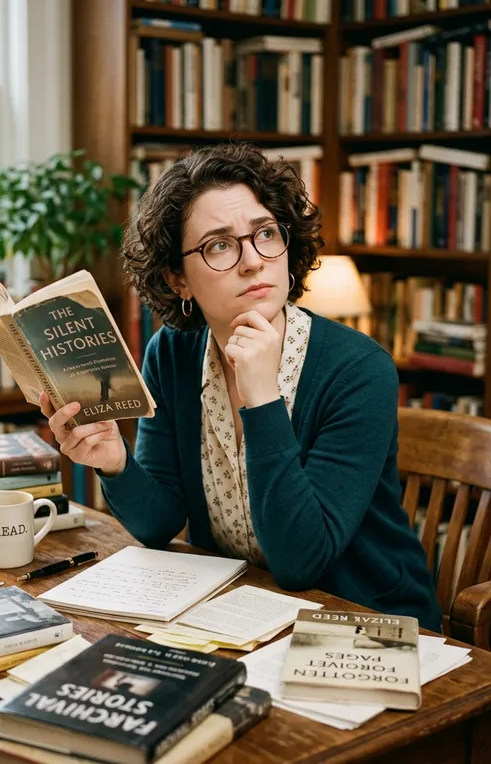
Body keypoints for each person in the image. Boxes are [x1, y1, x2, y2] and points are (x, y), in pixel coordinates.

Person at [40, 142, 442, 633]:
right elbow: (160, 525)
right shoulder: (172, 353)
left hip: (362, 620)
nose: (252, 260)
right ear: (178, 279)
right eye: (219, 245)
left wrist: (263, 399)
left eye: (265, 233)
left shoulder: (359, 370)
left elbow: (301, 562)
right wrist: (116, 462)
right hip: (239, 608)